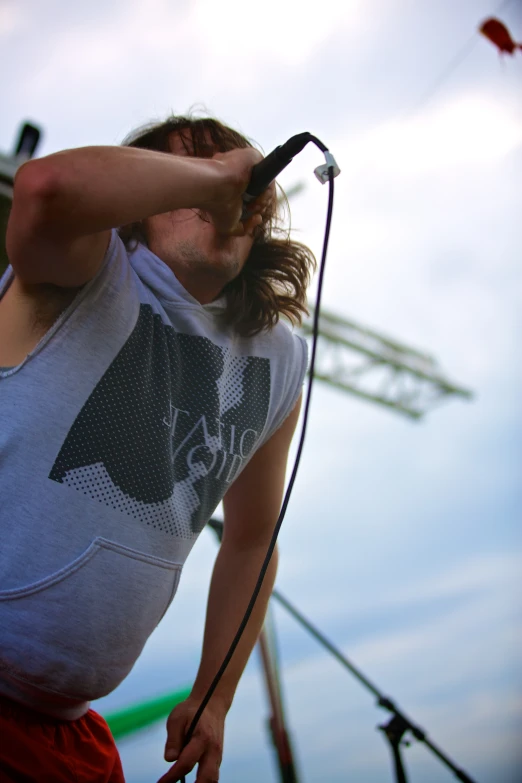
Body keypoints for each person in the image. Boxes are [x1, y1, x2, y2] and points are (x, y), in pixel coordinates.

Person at [0, 114, 315, 783]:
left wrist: (215, 693)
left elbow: (252, 538)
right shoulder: (88, 270)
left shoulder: (277, 356)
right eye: (190, 178)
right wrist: (217, 177)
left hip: (65, 731)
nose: (222, 196)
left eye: (237, 187)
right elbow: (47, 186)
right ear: (136, 211)